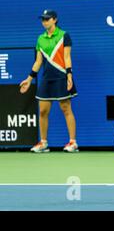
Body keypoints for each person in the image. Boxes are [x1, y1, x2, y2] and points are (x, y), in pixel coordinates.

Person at [20, 10, 79, 153]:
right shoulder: (40, 39)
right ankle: (44, 143)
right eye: (43, 19)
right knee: (43, 111)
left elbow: (67, 58)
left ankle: (73, 142)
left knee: (66, 109)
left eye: (47, 19)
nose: (44, 21)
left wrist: (69, 76)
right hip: (47, 78)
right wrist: (29, 79)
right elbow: (38, 62)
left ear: (54, 20)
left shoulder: (64, 35)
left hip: (61, 77)